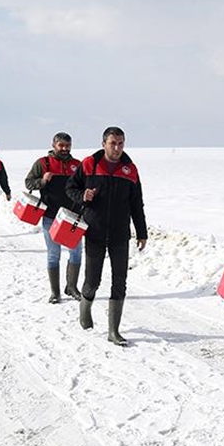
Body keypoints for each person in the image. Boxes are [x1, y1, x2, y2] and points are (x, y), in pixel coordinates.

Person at [65, 126, 148, 346]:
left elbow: (136, 203)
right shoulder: (89, 164)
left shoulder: (130, 169)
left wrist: (141, 232)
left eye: (121, 143)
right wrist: (83, 195)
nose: (117, 147)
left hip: (121, 234)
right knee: (93, 280)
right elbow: (70, 188)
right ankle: (85, 308)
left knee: (120, 281)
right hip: (95, 231)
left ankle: (114, 331)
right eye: (113, 143)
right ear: (104, 144)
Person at [24, 132, 83, 303]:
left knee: (77, 253)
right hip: (51, 216)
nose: (64, 149)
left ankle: (71, 287)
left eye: (67, 146)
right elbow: (28, 183)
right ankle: (55, 292)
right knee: (53, 254)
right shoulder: (43, 163)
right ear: (54, 145)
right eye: (61, 145)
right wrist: (42, 181)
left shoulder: (77, 165)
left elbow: (84, 185)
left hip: (73, 218)